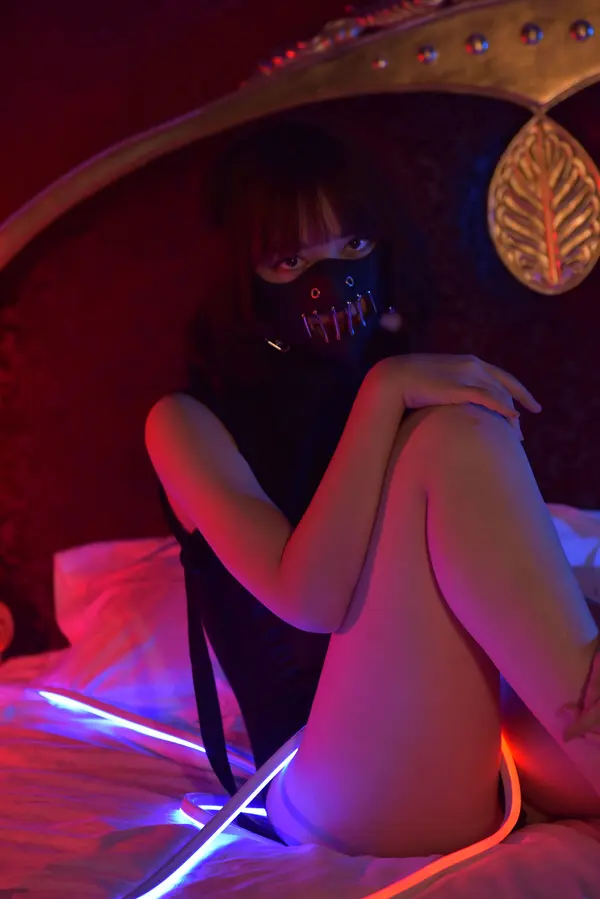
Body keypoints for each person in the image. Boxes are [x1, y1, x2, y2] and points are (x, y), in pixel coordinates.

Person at [145, 118, 600, 858]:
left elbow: (503, 583)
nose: (330, 281)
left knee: (462, 439)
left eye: (353, 246)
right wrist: (385, 392)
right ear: (240, 273)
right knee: (454, 434)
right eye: (290, 260)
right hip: (325, 778)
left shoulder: (409, 380)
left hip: (475, 736)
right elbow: (313, 600)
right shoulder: (186, 423)